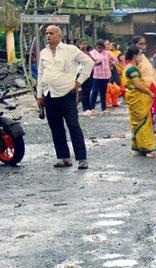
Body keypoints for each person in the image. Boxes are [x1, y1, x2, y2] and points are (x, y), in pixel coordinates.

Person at [36, 25, 94, 169]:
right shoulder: (43, 52)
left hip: (67, 94)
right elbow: (40, 75)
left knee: (73, 125)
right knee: (56, 127)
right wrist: (39, 95)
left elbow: (89, 63)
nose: (48, 36)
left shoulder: (71, 50)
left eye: (51, 33)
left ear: (59, 35)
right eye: (47, 33)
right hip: (49, 94)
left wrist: (79, 82)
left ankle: (82, 159)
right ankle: (64, 157)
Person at [122, 47, 156, 157]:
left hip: (133, 97)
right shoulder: (132, 69)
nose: (141, 56)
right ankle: (148, 148)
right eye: (140, 54)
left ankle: (138, 146)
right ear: (135, 55)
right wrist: (149, 92)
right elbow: (138, 84)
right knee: (144, 122)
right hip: (138, 97)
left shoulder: (128, 67)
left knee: (137, 123)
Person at [87, 40, 112, 115]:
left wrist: (110, 63)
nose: (100, 49)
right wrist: (95, 63)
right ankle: (92, 108)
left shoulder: (107, 53)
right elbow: (88, 62)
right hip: (96, 75)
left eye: (101, 47)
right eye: (98, 47)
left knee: (103, 92)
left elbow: (115, 60)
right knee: (94, 91)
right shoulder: (92, 53)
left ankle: (103, 108)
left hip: (105, 75)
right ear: (96, 46)